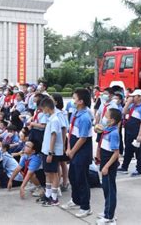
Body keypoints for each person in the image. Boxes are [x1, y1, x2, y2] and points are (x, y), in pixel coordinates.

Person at [61, 89, 94, 218]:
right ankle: (75, 200)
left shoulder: (85, 117)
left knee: (82, 179)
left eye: (74, 98)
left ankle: (86, 207)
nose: (72, 100)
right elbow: (71, 133)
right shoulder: (75, 113)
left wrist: (73, 151)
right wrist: (69, 148)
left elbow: (83, 138)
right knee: (73, 176)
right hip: (73, 149)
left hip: (82, 151)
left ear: (81, 101)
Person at [36, 97, 65, 206]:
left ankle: (54, 198)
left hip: (51, 152)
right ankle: (48, 195)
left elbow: (53, 136)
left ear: (47, 108)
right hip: (46, 150)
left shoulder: (55, 119)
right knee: (47, 173)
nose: (42, 111)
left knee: (53, 174)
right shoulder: (51, 118)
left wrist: (50, 152)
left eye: (43, 108)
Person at [96, 108, 121, 225]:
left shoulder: (114, 133)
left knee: (110, 190)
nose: (104, 118)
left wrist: (106, 166)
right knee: (106, 189)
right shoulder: (107, 130)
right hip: (104, 162)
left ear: (112, 120)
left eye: (106, 116)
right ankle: (107, 211)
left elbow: (116, 153)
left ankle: (110, 217)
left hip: (109, 165)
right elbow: (99, 132)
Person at [118, 89, 141, 177]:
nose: (132, 98)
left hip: (137, 132)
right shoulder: (133, 106)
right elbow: (123, 112)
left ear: (139, 97)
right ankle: (124, 167)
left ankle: (139, 169)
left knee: (138, 151)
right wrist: (128, 103)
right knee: (128, 149)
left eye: (134, 96)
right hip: (129, 131)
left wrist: (140, 135)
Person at [52, 93, 70, 192]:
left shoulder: (62, 113)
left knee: (62, 162)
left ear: (56, 101)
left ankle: (65, 182)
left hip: (62, 139)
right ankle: (57, 182)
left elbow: (65, 127)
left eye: (52, 99)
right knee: (57, 162)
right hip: (56, 139)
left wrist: (63, 144)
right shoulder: (52, 112)